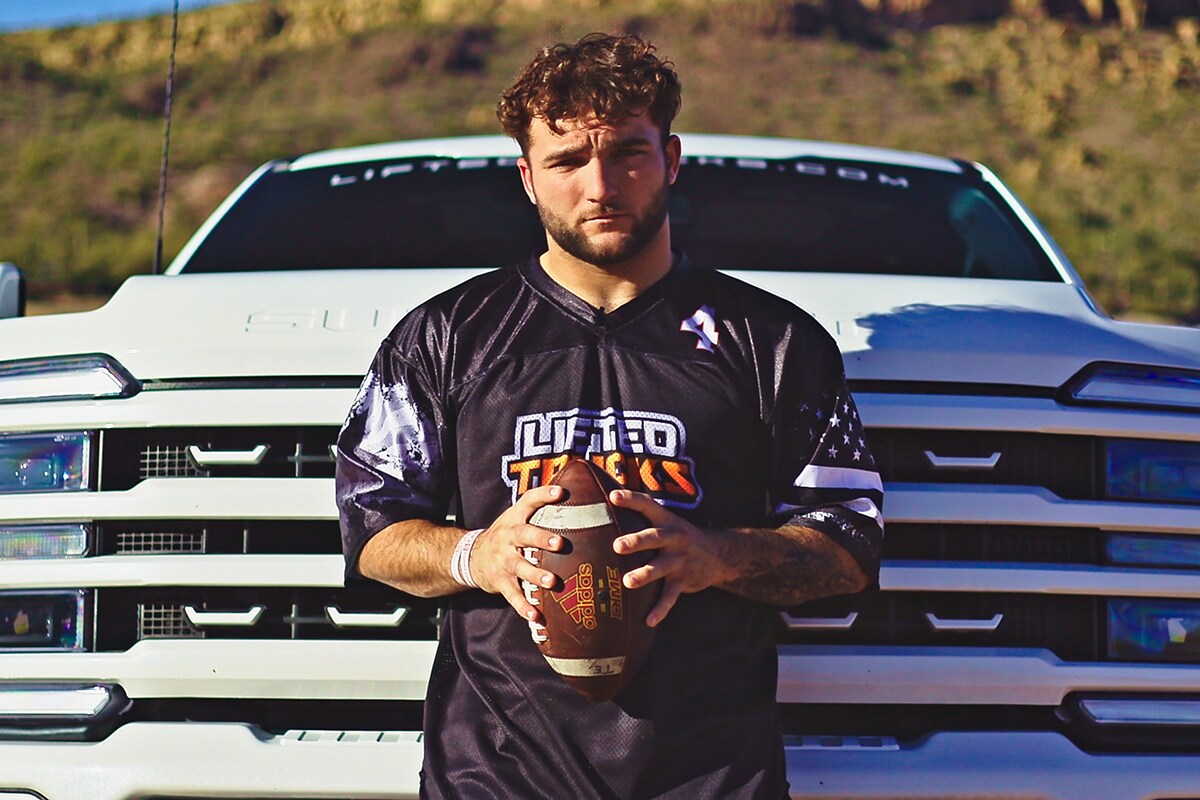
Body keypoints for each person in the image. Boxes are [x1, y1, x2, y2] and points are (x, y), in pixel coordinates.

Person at [335, 32, 883, 800]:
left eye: (627, 152)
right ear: (527, 178)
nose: (600, 185)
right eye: (565, 162)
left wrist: (716, 555)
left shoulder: (772, 339)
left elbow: (849, 545)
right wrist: (478, 556)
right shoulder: (446, 336)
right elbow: (374, 533)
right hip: (494, 772)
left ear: (673, 158)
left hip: (711, 774)